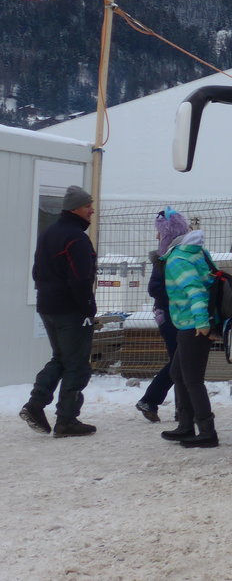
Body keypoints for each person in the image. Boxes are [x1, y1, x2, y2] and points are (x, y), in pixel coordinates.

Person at [20, 185, 99, 438]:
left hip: (47, 306)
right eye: (88, 206)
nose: (92, 210)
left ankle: (35, 404)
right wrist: (88, 307)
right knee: (77, 364)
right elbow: (80, 279)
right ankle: (67, 420)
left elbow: (36, 272)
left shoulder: (49, 233)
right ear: (76, 208)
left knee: (61, 358)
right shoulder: (76, 238)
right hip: (71, 310)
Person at [155, 208, 220, 448]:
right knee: (177, 374)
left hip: (193, 326)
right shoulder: (195, 252)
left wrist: (202, 324)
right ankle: (185, 425)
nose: (157, 238)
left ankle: (206, 431)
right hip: (190, 324)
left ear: (167, 235)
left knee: (192, 379)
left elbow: (196, 291)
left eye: (159, 234)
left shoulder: (178, 260)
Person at [134, 247, 177, 423]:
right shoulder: (163, 259)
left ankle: (181, 409)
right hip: (170, 316)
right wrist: (179, 296)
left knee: (181, 362)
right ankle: (150, 400)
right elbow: (155, 288)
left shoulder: (179, 256)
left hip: (177, 315)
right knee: (180, 362)